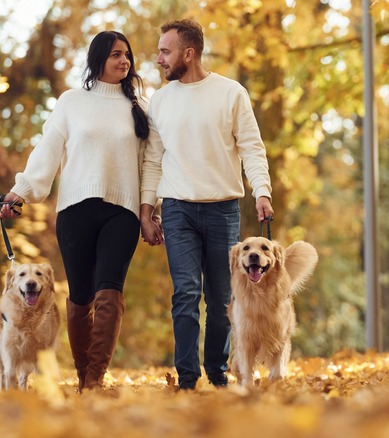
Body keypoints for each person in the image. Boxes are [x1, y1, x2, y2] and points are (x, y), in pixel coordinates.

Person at [0, 30, 149, 392]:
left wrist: (149, 209)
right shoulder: (71, 102)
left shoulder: (141, 106)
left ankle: (95, 376)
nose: (124, 61)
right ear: (97, 60)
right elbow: (48, 150)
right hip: (76, 210)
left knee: (110, 291)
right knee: (80, 296)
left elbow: (150, 163)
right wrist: (20, 192)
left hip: (122, 211)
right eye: (115, 54)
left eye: (127, 54)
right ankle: (83, 375)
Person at [139, 19, 274, 390]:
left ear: (188, 53)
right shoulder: (161, 101)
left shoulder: (231, 93)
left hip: (223, 209)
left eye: (165, 51)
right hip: (178, 209)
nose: (159, 59)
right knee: (185, 293)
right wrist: (146, 209)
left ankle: (216, 373)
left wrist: (262, 190)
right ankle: (186, 378)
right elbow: (152, 159)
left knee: (221, 300)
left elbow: (251, 146)